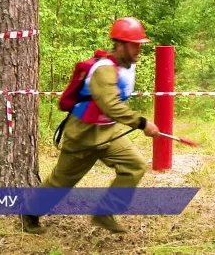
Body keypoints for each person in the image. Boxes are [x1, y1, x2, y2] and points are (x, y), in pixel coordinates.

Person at [20, 17, 160, 234]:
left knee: (135, 165)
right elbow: (111, 105)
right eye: (135, 44)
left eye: (140, 44)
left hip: (108, 133)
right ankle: (29, 213)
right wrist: (142, 123)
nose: (139, 49)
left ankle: (105, 212)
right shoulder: (104, 70)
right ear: (120, 44)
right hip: (82, 135)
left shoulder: (127, 67)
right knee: (61, 182)